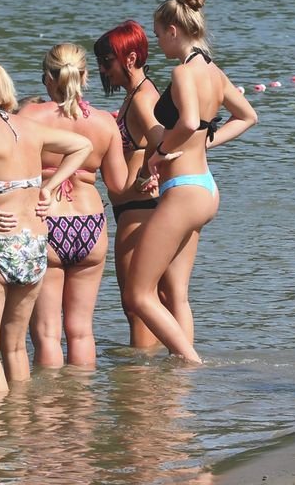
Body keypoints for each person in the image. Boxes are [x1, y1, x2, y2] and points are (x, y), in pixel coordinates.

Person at [122, 0, 258, 363]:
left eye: (156, 34)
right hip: (205, 188)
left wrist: (159, 155)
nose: (157, 43)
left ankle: (190, 362)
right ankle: (181, 380)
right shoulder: (215, 72)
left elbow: (186, 121)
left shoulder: (182, 71)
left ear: (172, 31)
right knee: (176, 294)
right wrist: (206, 142)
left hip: (183, 191)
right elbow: (247, 117)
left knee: (138, 294)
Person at [0, 61, 91, 393]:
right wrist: (50, 187)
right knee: (14, 346)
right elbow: (81, 146)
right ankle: (19, 421)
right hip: (35, 246)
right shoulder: (29, 128)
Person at [18, 44, 127, 368]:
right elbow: (119, 186)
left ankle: (50, 414)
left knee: (48, 333)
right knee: (81, 332)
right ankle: (80, 415)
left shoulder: (30, 117)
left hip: (46, 221)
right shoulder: (106, 123)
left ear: (49, 78)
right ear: (85, 76)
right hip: (91, 225)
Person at [94, 20, 168, 348]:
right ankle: (158, 376)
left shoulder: (142, 97)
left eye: (107, 62)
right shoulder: (135, 94)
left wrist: (145, 173)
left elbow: (160, 136)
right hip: (135, 209)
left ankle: (141, 380)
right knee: (147, 301)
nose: (102, 70)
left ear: (130, 58)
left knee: (136, 304)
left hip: (139, 209)